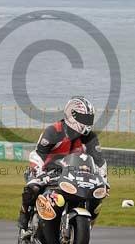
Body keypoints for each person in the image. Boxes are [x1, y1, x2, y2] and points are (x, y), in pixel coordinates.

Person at [18, 96, 108, 229]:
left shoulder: (90, 137)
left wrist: (104, 179)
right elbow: (38, 154)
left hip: (74, 174)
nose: (88, 123)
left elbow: (99, 161)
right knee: (33, 187)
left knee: (97, 194)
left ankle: (85, 224)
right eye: (84, 119)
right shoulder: (54, 131)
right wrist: (39, 173)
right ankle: (24, 214)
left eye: (89, 119)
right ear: (72, 116)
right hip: (47, 172)